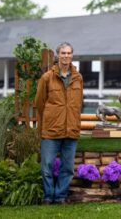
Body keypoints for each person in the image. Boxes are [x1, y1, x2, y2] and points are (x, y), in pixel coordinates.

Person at [35, 42, 83, 205]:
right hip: (51, 130)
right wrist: (53, 117)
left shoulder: (78, 78)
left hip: (71, 129)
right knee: (47, 165)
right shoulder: (47, 77)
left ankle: (61, 196)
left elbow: (78, 103)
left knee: (67, 167)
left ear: (72, 55)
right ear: (58, 56)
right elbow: (40, 103)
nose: (66, 56)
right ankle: (49, 196)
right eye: (63, 53)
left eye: (69, 53)